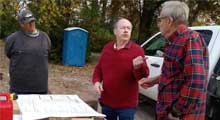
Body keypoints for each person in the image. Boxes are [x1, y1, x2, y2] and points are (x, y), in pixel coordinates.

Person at [139, 1, 209, 120]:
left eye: (160, 19)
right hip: (165, 110)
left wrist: (176, 112)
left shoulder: (190, 39)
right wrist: (154, 80)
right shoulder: (174, 41)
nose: (158, 24)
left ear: (169, 21)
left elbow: (195, 82)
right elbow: (176, 74)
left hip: (180, 116)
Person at [92, 17, 149, 120]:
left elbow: (143, 75)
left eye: (129, 28)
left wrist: (138, 67)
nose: (126, 30)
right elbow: (99, 68)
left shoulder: (137, 50)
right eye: (123, 28)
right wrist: (96, 82)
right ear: (115, 31)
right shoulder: (107, 48)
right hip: (107, 101)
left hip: (127, 105)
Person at [5, 9, 51, 94]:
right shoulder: (12, 39)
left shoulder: (45, 37)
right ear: (21, 24)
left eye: (32, 21)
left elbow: (45, 56)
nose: (32, 24)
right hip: (18, 90)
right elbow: (8, 54)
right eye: (28, 22)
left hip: (41, 89)